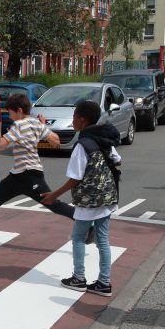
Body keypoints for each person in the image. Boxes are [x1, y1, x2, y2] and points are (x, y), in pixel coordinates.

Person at [0, 92, 75, 242]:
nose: (9, 116)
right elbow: (56, 142)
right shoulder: (36, 124)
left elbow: (2, 145)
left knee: (53, 204)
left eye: (10, 112)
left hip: (29, 175)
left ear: (19, 111)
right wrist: (43, 127)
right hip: (18, 175)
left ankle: (88, 223)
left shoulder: (18, 125)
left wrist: (0, 135)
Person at [40, 101, 122, 297]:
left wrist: (53, 195)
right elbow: (118, 160)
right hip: (108, 197)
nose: (73, 120)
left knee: (78, 237)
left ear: (82, 120)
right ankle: (104, 282)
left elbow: (75, 178)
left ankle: (78, 278)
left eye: (75, 116)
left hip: (88, 201)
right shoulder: (103, 138)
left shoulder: (82, 145)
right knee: (103, 239)